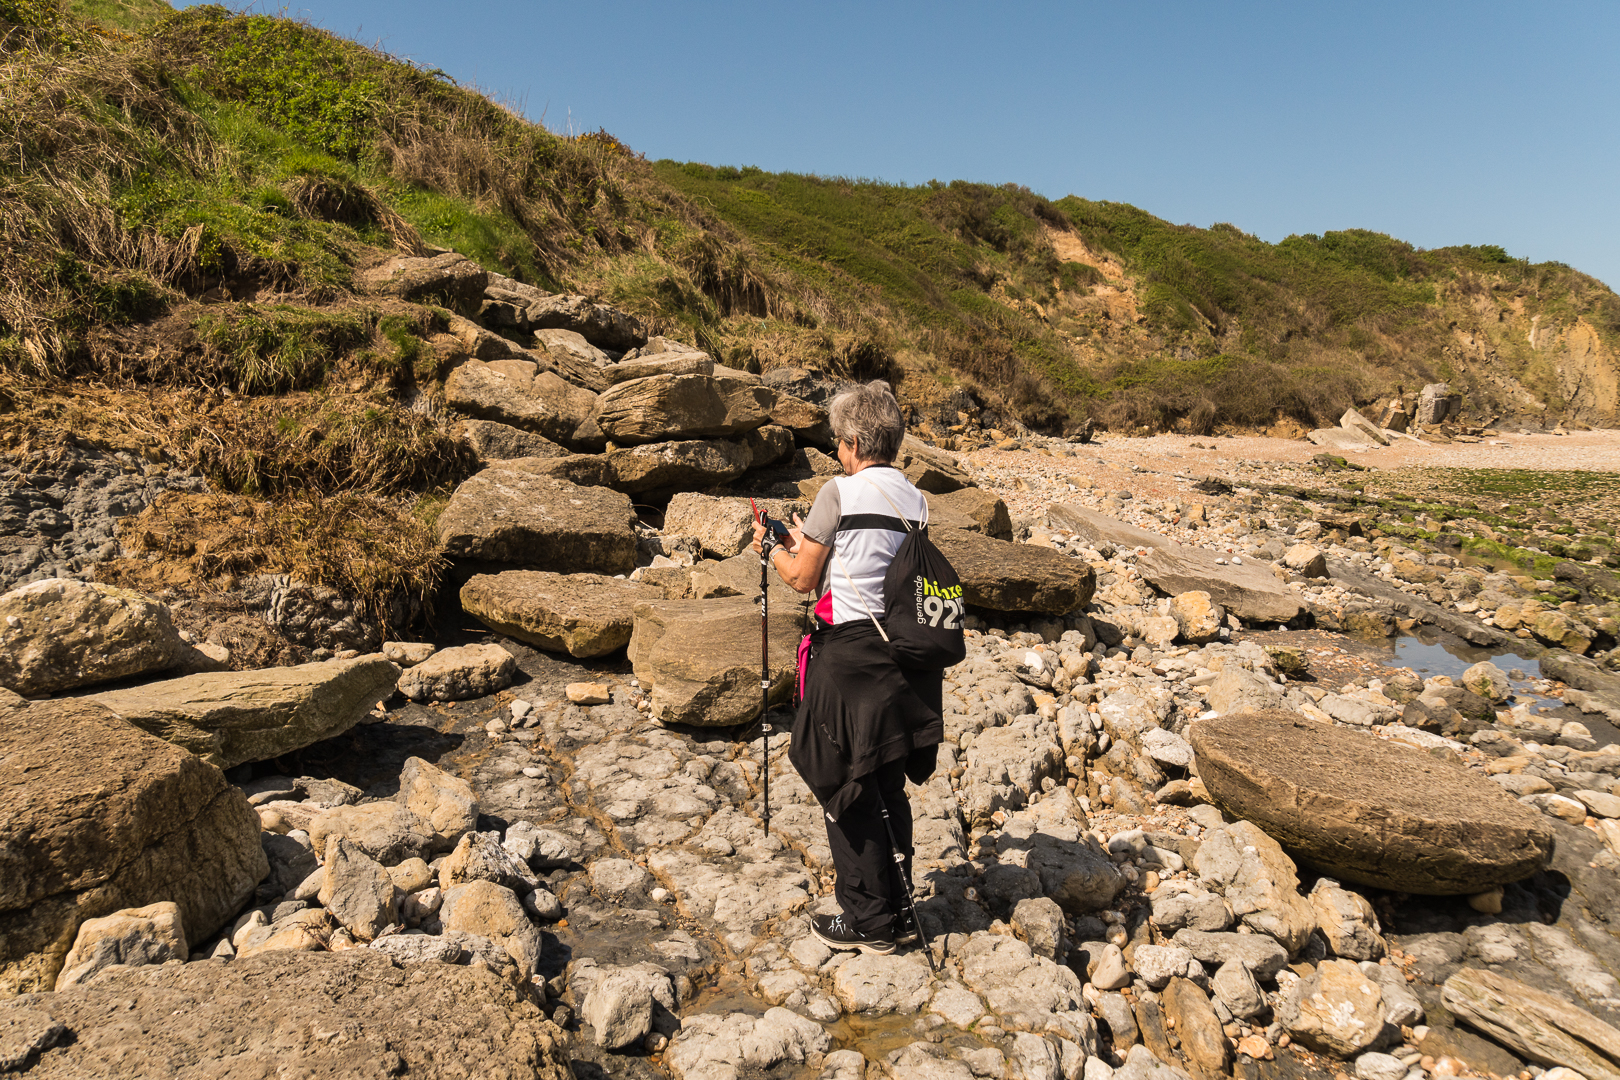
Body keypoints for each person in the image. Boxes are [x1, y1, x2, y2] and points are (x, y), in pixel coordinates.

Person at [750, 379, 943, 954]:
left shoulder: (838, 491)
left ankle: (867, 917)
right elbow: (883, 564)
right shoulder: (915, 499)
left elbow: (804, 578)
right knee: (883, 775)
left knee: (836, 774)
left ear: (856, 441)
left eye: (838, 441)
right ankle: (899, 906)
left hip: (850, 654)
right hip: (903, 658)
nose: (837, 450)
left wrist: (769, 546)